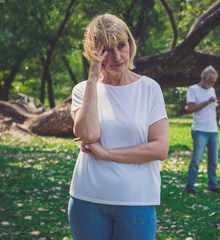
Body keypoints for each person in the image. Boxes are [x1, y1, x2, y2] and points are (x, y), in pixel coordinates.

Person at [68, 13, 169, 240]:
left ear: (130, 44)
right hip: (87, 200)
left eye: (121, 46)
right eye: (106, 50)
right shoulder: (82, 90)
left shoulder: (149, 88)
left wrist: (108, 154)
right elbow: (88, 133)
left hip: (136, 201)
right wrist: (93, 80)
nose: (117, 56)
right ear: (93, 53)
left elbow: (160, 149)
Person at [184, 65, 220, 195]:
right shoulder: (193, 89)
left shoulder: (211, 90)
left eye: (214, 81)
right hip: (200, 130)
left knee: (213, 161)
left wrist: (219, 107)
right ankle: (190, 186)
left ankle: (212, 185)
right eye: (211, 81)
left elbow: (212, 110)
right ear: (204, 78)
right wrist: (208, 101)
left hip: (213, 130)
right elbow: (190, 108)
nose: (213, 84)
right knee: (196, 160)